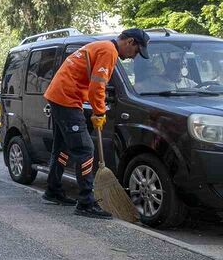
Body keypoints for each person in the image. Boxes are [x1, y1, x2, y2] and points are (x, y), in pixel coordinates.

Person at [42, 28, 149, 218]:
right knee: (84, 149)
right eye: (136, 52)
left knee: (62, 148)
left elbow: (93, 84)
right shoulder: (109, 51)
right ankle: (86, 203)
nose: (134, 57)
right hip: (67, 99)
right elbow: (97, 87)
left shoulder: (103, 46)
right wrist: (99, 112)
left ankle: (53, 190)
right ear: (130, 42)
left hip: (60, 96)